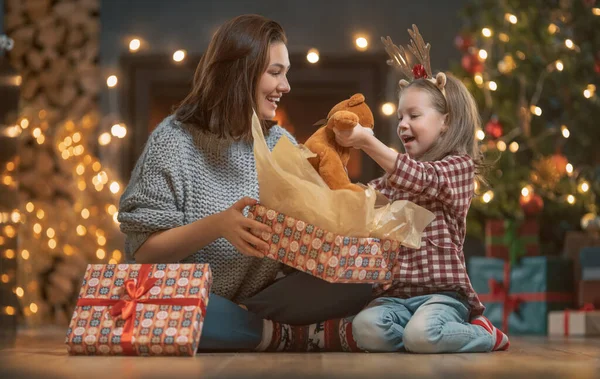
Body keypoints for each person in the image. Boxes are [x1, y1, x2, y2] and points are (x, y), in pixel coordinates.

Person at [117, 14, 371, 351]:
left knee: (361, 277)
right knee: (158, 306)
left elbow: (307, 244)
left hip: (259, 302)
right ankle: (283, 334)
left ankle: (249, 329)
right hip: (190, 295)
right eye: (275, 73)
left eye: (286, 73)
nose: (286, 86)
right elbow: (143, 251)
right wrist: (219, 226)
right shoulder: (172, 141)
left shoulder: (279, 143)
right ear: (241, 73)